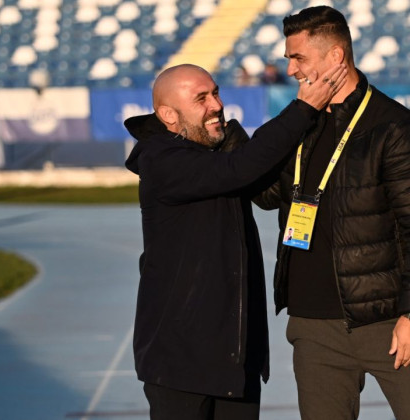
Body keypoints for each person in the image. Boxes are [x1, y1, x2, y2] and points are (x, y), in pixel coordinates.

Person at [255, 6, 410, 420]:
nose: (290, 70)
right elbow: (265, 192)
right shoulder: (300, 123)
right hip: (312, 325)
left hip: (385, 320)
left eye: (298, 58)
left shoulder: (394, 127)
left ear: (335, 57)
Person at [124, 63, 346, 420]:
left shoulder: (212, 151)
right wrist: (303, 109)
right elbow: (239, 169)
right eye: (201, 99)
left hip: (234, 358)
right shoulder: (161, 158)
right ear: (168, 115)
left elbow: (265, 191)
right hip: (180, 363)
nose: (216, 105)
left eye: (215, 93)